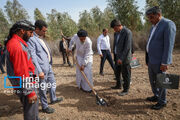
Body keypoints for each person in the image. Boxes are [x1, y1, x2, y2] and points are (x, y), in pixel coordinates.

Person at [5, 20, 39, 120]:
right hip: (27, 86)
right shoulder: (16, 46)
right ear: (22, 31)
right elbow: (21, 72)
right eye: (30, 32)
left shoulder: (17, 43)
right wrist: (30, 92)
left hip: (28, 83)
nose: (32, 35)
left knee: (33, 109)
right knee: (30, 112)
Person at [28, 20, 63, 114]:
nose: (45, 32)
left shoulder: (40, 38)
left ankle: (53, 98)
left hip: (48, 66)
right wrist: (39, 71)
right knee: (43, 88)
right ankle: (44, 106)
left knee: (52, 82)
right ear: (37, 29)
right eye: (43, 31)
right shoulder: (32, 39)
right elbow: (33, 56)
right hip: (41, 69)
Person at [145, 6, 176, 110]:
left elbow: (169, 45)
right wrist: (147, 58)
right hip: (151, 60)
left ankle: (162, 101)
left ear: (158, 15)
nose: (150, 20)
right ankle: (156, 95)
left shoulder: (168, 24)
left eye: (151, 17)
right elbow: (150, 42)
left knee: (162, 81)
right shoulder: (153, 26)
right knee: (153, 80)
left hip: (160, 61)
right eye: (148, 18)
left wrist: (165, 62)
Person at [110, 19, 133, 96]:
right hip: (117, 56)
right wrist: (115, 55)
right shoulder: (116, 33)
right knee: (117, 72)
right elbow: (115, 44)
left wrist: (121, 58)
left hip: (124, 58)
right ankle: (118, 85)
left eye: (115, 28)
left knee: (125, 74)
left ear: (119, 25)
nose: (114, 30)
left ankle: (126, 89)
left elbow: (127, 47)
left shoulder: (127, 32)